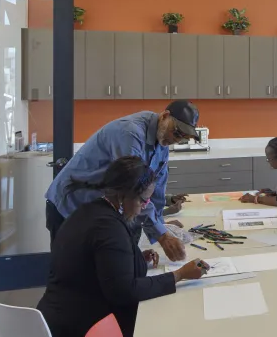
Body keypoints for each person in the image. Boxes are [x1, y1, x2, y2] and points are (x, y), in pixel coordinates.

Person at [37, 156, 208, 337]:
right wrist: (179, 275)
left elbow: (97, 264)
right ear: (122, 195)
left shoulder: (89, 212)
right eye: (143, 201)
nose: (145, 207)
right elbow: (125, 291)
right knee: (166, 334)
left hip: (54, 329)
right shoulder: (108, 228)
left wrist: (136, 259)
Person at [44, 101, 202, 261]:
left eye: (182, 138)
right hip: (71, 205)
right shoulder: (130, 133)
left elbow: (156, 190)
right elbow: (133, 189)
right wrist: (162, 236)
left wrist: (160, 225)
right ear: (165, 116)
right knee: (71, 273)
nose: (175, 140)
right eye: (176, 133)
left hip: (99, 210)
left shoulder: (162, 144)